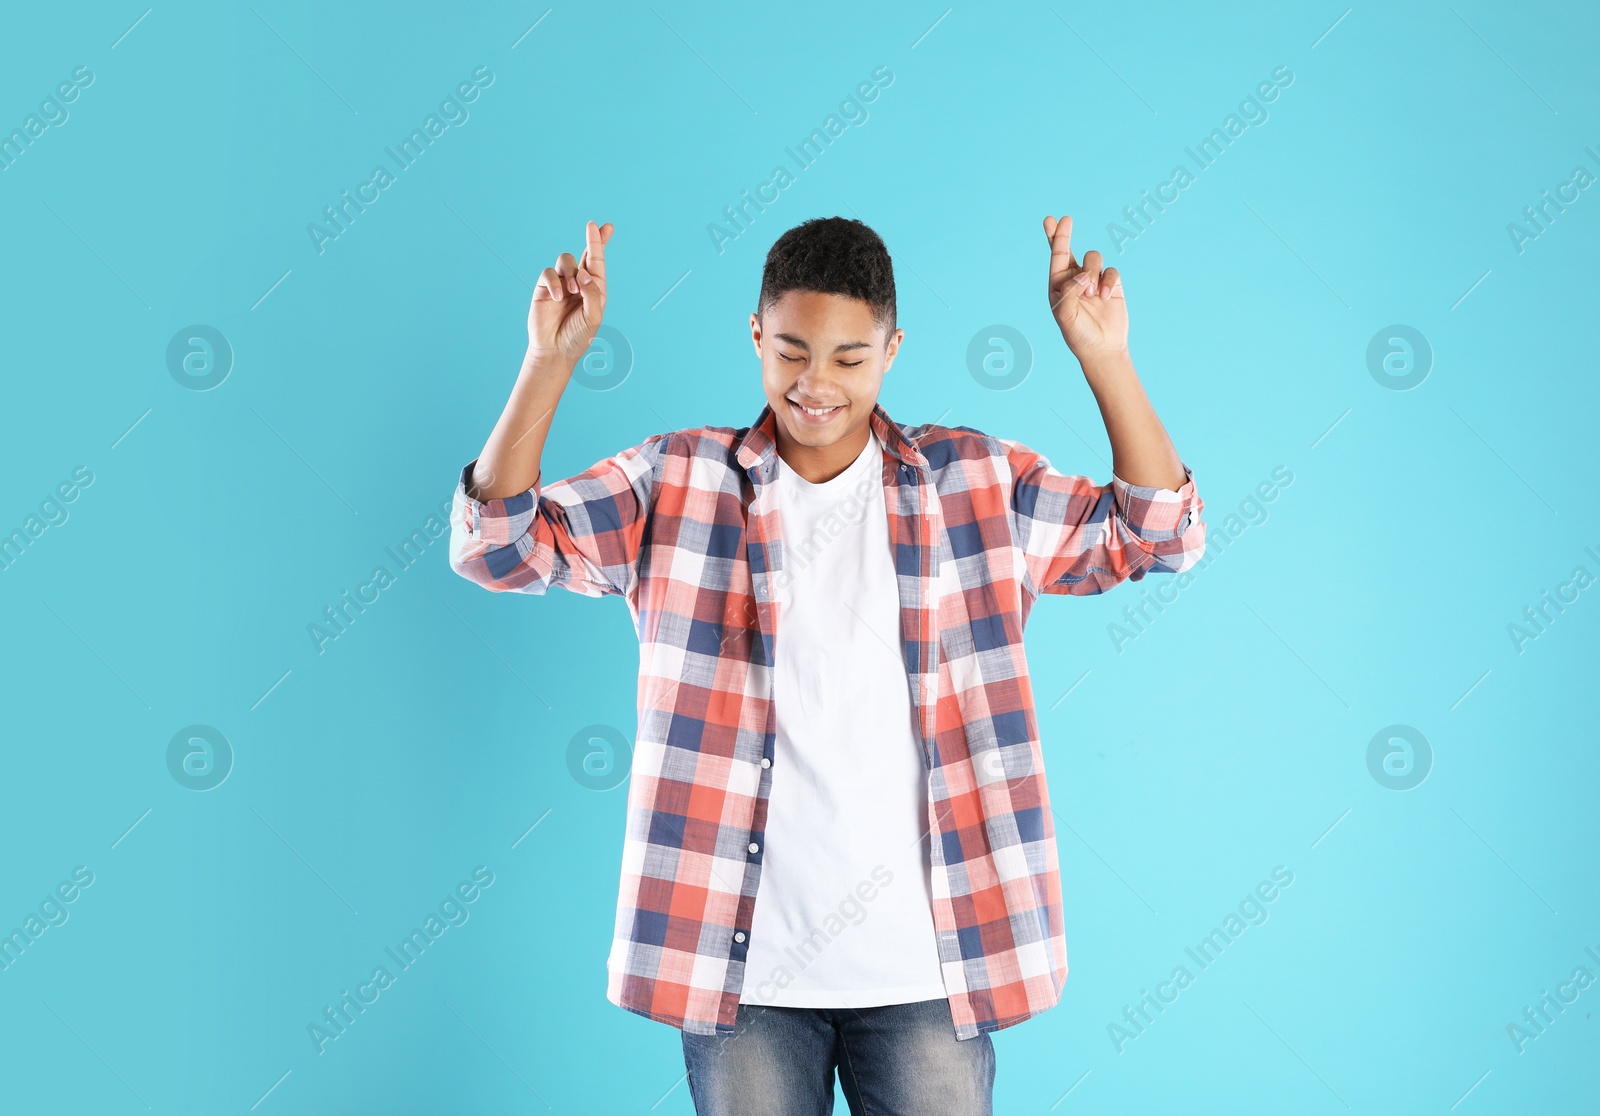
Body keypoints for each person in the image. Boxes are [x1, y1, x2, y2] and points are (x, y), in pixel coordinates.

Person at [448, 214, 1206, 1115]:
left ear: (891, 352)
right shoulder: (679, 481)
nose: (817, 383)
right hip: (744, 976)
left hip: (932, 968)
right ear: (757, 336)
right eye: (794, 351)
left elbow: (1159, 534)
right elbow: (497, 548)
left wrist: (1103, 357)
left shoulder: (974, 483)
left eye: (850, 358)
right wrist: (550, 362)